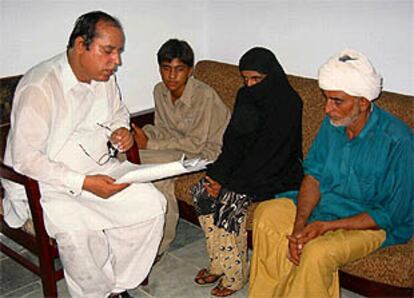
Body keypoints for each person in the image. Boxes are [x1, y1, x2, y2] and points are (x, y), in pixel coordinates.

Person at [1, 11, 166, 298]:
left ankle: (116, 287)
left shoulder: (104, 77)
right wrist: (84, 183)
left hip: (100, 168)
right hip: (47, 184)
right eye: (108, 51)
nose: (117, 61)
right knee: (78, 232)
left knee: (152, 205)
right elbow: (26, 159)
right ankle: (95, 294)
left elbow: (118, 114)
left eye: (118, 52)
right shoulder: (40, 86)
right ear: (81, 45)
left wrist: (121, 131)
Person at [249, 49, 414, 298]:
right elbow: (314, 176)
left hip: (372, 225)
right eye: (326, 99)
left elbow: (392, 214)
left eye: (337, 101)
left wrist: (325, 227)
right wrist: (300, 224)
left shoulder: (398, 140)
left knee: (317, 252)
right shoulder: (333, 125)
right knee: (267, 214)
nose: (327, 109)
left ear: (363, 102)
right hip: (324, 209)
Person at [192, 47, 304, 297]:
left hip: (278, 174)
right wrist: (219, 175)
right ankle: (219, 264)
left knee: (229, 200)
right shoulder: (245, 96)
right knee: (202, 191)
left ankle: (235, 275)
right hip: (247, 168)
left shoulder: (288, 103)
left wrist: (231, 184)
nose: (250, 85)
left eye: (257, 79)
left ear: (271, 75)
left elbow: (272, 154)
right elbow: (233, 142)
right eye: (246, 78)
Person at [132, 39, 230, 256]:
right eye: (166, 69)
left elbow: (196, 144)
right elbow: (164, 129)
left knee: (158, 175)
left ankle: (159, 245)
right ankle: (136, 232)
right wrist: (142, 136)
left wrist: (149, 144)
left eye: (179, 69)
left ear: (190, 71)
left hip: (208, 154)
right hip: (180, 148)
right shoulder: (160, 91)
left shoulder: (203, 95)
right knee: (129, 151)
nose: (171, 76)